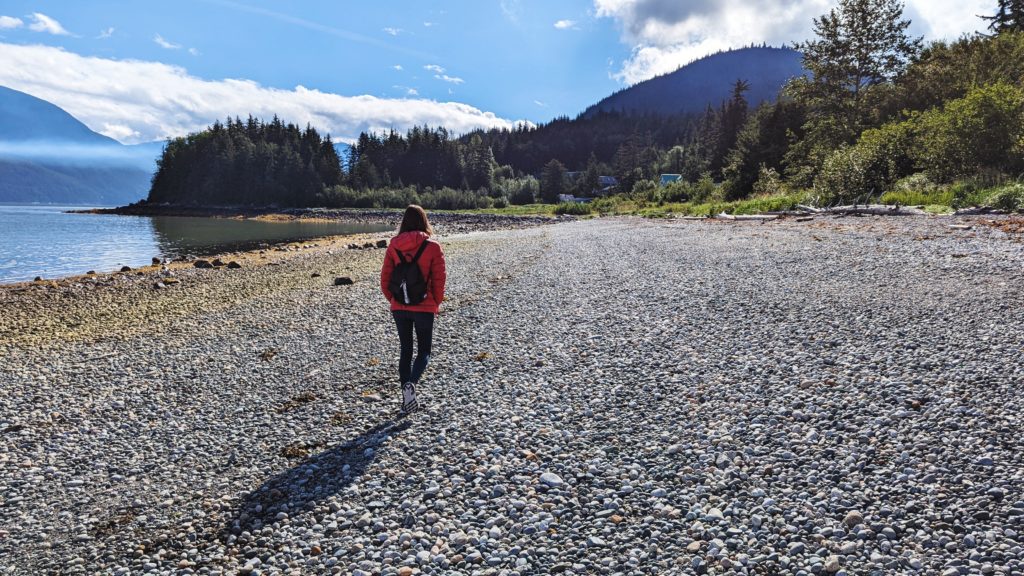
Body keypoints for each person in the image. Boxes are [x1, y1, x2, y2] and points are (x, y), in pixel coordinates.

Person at [380, 205, 446, 414]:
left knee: (405, 350)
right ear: (424, 221)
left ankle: (405, 398)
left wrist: (393, 299)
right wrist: (435, 302)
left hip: (399, 307)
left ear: (404, 222)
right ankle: (412, 384)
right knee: (424, 350)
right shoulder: (432, 247)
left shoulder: (393, 246)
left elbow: (385, 279)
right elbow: (439, 280)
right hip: (424, 306)